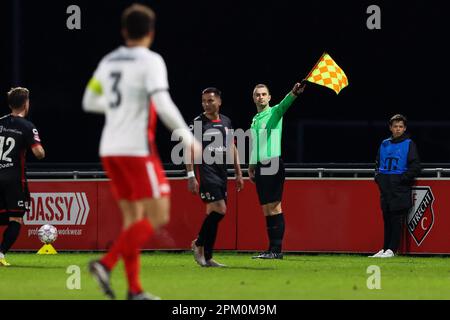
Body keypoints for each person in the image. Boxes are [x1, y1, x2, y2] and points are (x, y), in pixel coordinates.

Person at [83, 4, 200, 300]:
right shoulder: (151, 61)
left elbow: (89, 100)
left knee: (132, 221)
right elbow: (162, 103)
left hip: (109, 149)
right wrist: (187, 137)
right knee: (158, 215)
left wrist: (118, 106)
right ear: (151, 32)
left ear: (124, 31)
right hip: (136, 150)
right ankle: (105, 264)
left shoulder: (109, 60)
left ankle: (134, 290)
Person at [248, 82, 306, 259]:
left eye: (264, 94)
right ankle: (271, 249)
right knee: (266, 208)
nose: (260, 97)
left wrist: (294, 92)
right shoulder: (255, 119)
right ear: (254, 98)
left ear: (269, 97)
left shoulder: (274, 112)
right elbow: (255, 145)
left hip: (272, 163)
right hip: (260, 166)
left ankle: (276, 250)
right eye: (257, 94)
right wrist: (251, 166)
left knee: (274, 207)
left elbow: (284, 105)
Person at [187, 87, 244, 267]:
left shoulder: (226, 121)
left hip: (222, 173)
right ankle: (198, 243)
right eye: (204, 101)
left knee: (214, 214)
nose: (206, 104)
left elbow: (232, 148)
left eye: (210, 101)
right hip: (206, 173)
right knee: (220, 209)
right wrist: (190, 175)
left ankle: (208, 257)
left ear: (219, 101)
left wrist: (238, 172)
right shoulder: (197, 122)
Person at [0, 87, 45, 266]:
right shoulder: (27, 126)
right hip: (13, 179)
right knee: (16, 219)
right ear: (26, 104)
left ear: (11, 104)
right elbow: (39, 153)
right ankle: (1, 253)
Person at [370, 114, 421, 258]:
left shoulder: (409, 143)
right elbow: (377, 164)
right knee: (386, 218)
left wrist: (402, 179)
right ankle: (385, 248)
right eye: (395, 126)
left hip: (399, 187)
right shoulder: (384, 143)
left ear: (404, 128)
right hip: (385, 186)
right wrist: (378, 177)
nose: (398, 129)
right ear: (390, 128)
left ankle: (392, 249)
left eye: (400, 127)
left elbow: (415, 166)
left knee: (396, 219)